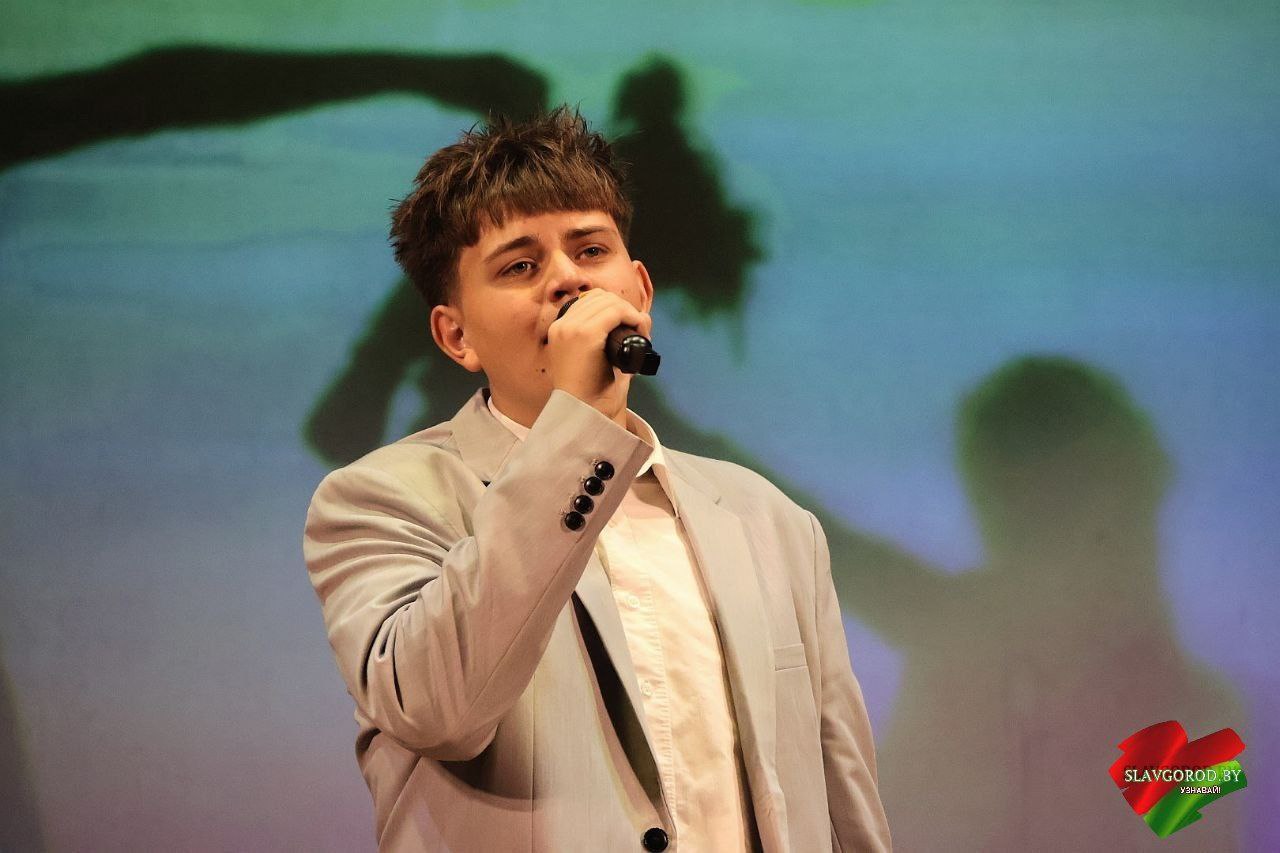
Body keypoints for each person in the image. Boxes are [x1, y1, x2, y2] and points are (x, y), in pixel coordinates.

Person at [302, 105, 891, 852]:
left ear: (639, 291)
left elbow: (843, 793)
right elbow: (437, 709)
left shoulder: (767, 518)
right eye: (520, 266)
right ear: (456, 336)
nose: (568, 280)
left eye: (590, 250)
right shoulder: (379, 500)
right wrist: (578, 429)